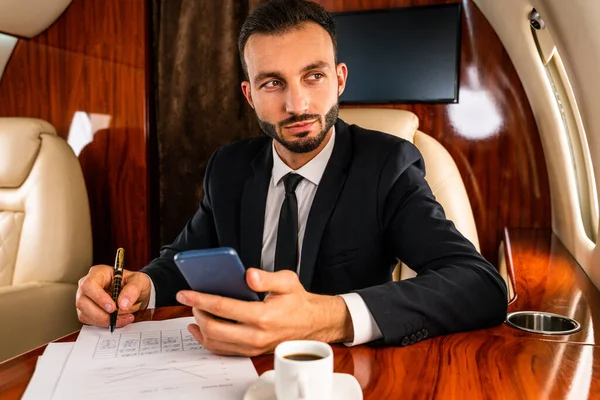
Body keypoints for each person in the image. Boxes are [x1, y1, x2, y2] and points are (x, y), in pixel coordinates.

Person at [76, 0, 507, 356]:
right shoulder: (228, 167)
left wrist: (327, 317)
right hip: (236, 367)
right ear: (250, 96)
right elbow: (184, 260)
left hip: (339, 372)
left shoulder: (386, 164)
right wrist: (139, 287)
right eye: (272, 83)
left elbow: (479, 284)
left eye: (313, 76)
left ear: (339, 81)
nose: (296, 104)